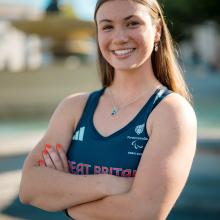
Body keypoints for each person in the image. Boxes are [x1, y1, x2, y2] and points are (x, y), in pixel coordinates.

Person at [19, 0, 197, 219]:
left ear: (157, 30)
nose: (119, 37)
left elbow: (144, 213)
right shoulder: (74, 108)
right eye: (107, 26)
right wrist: (108, 183)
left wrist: (63, 200)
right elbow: (29, 188)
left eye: (132, 23)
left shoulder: (171, 112)